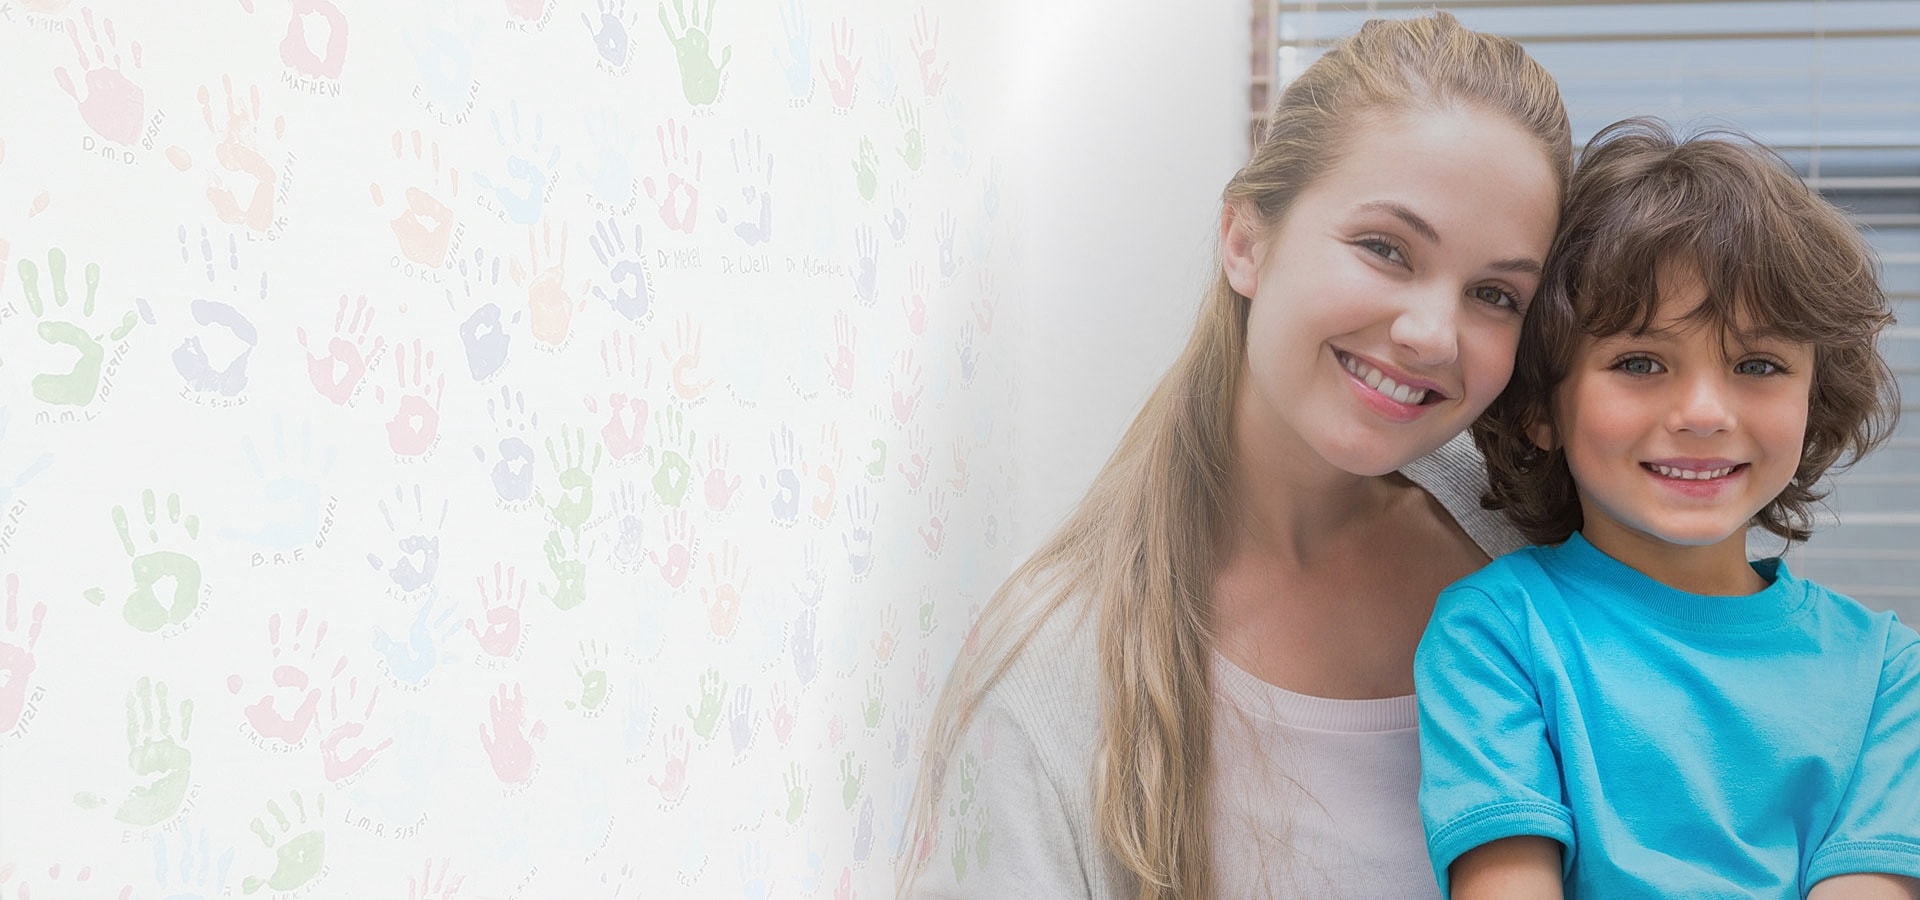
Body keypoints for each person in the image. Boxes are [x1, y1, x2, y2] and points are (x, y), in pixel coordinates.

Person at [899, 12, 1571, 899]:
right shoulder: (1055, 669)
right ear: (1246, 240)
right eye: (1385, 248)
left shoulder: (1539, 546)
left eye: (1495, 293)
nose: (1430, 334)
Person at [1416, 118, 1917, 899]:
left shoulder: (1888, 672)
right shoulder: (1497, 633)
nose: (1705, 411)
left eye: (1758, 363)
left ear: (1814, 404)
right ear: (1541, 407)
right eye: (1640, 362)